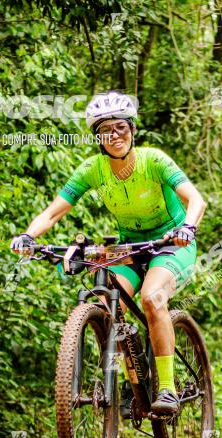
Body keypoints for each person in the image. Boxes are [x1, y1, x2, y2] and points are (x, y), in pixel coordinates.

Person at [11, 91, 206, 416]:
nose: (115, 135)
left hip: (171, 243)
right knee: (103, 301)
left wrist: (188, 227)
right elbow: (54, 212)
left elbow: (196, 200)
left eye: (121, 127)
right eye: (106, 130)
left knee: (152, 297)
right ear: (98, 138)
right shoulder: (93, 170)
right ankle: (133, 380)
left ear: (132, 129)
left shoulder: (154, 161)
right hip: (129, 246)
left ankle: (168, 389)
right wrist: (28, 236)